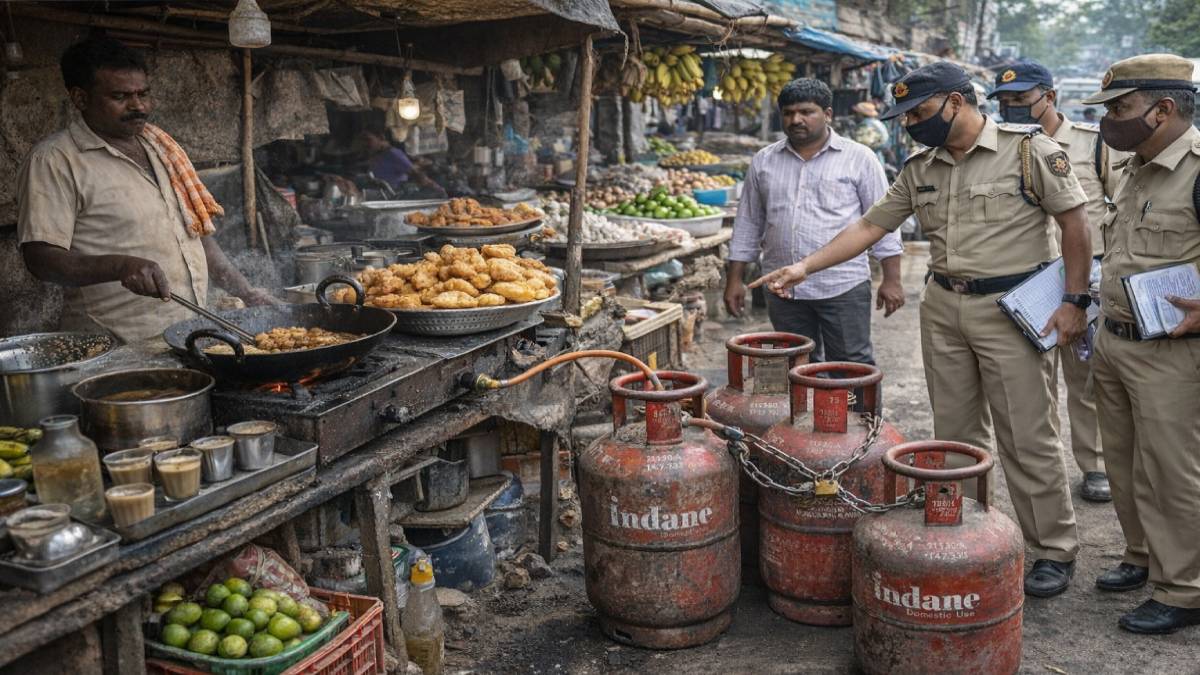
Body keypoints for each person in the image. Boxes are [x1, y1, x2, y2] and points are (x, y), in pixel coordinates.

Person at [751, 62, 1093, 598]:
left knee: (1027, 435)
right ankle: (969, 532)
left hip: (1013, 310)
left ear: (956, 103)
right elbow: (870, 226)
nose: (910, 122)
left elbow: (1075, 222)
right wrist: (804, 267)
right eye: (905, 115)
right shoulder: (920, 167)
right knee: (954, 434)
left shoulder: (1028, 151)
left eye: (919, 112)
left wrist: (1074, 301)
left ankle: (1052, 548)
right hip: (944, 308)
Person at [17, 37, 271, 344]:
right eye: (120, 96)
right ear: (80, 98)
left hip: (190, 334)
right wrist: (121, 266)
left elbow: (197, 236)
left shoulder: (162, 148)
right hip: (116, 346)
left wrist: (246, 292)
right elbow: (41, 259)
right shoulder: (55, 160)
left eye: (143, 94)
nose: (138, 106)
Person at [1082, 54, 1200, 634]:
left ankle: (1185, 589)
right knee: (1124, 463)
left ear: (1164, 109)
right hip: (1117, 339)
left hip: (1173, 353)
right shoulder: (1135, 165)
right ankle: (1142, 555)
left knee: (1172, 471)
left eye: (1119, 108)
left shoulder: (1198, 169)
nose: (1109, 121)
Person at [989, 59, 1128, 503]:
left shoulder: (1092, 144)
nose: (1011, 107)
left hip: (1081, 279)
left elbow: (1120, 208)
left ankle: (1095, 464)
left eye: (1020, 99)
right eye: (1004, 101)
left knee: (1086, 378)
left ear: (1049, 97)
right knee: (1035, 382)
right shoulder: (1002, 148)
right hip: (1027, 282)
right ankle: (1043, 465)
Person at [725, 79, 905, 367]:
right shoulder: (764, 161)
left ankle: (863, 415)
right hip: (782, 288)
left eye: (806, 112)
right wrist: (735, 280)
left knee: (851, 364)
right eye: (788, 113)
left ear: (828, 114)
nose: (796, 119)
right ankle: (805, 414)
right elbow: (748, 223)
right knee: (796, 365)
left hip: (842, 284)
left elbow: (882, 222)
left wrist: (892, 279)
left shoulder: (859, 158)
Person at [360, 129, 444, 196]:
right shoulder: (378, 155)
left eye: (368, 139)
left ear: (381, 137)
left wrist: (436, 188)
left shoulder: (393, 154)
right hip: (380, 196)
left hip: (394, 196)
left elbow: (415, 173)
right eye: (362, 140)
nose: (364, 144)